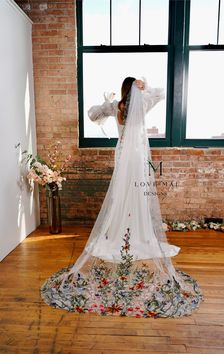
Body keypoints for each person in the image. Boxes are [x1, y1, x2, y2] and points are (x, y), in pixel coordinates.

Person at [41, 77, 203, 318]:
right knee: (138, 193)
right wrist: (145, 86)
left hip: (122, 158)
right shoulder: (144, 101)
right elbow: (162, 92)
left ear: (122, 90)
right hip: (138, 157)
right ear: (135, 89)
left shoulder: (116, 106)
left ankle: (118, 231)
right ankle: (137, 231)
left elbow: (93, 115)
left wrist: (105, 103)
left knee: (120, 194)